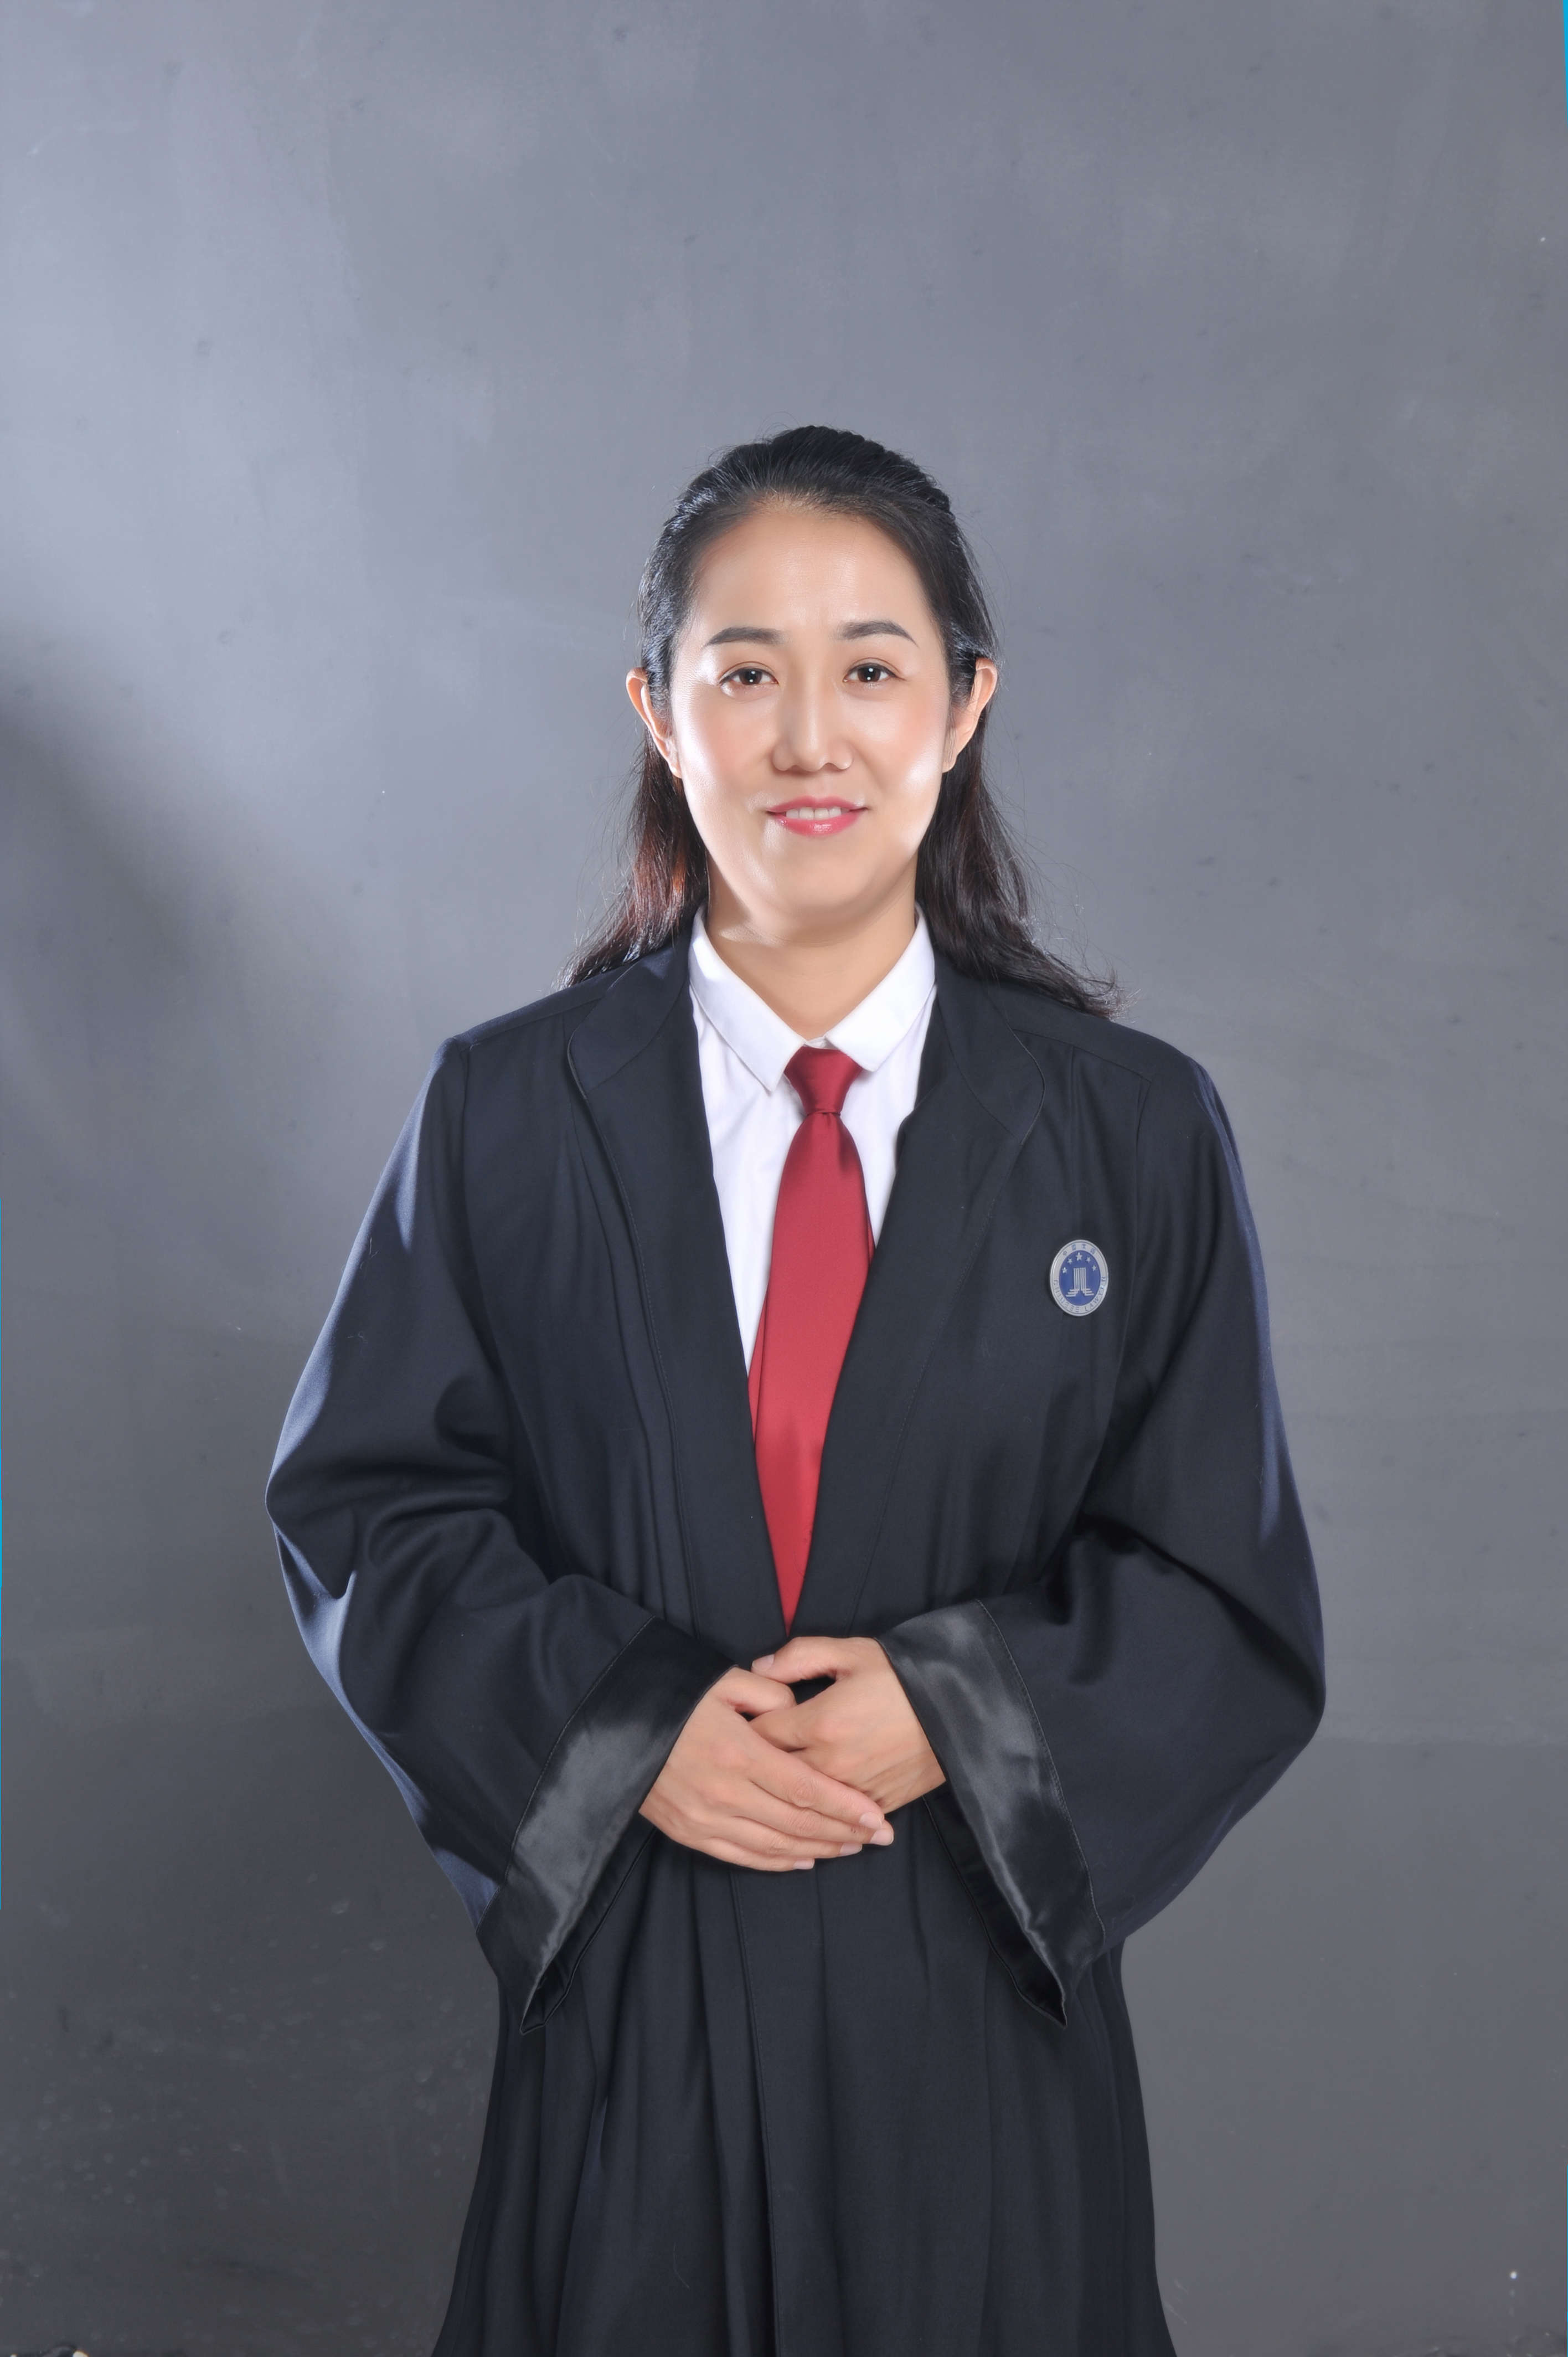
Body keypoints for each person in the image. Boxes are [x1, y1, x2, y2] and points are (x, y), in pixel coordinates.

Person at [266, 425, 1324, 2357]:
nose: (809, 737)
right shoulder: (506, 1116)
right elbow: (367, 1516)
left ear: (965, 707)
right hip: (636, 2012)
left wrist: (960, 1715)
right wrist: (626, 1730)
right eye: (744, 670)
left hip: (976, 2024)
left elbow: (1222, 1592)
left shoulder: (1134, 1134)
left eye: (872, 668)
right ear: (659, 716)